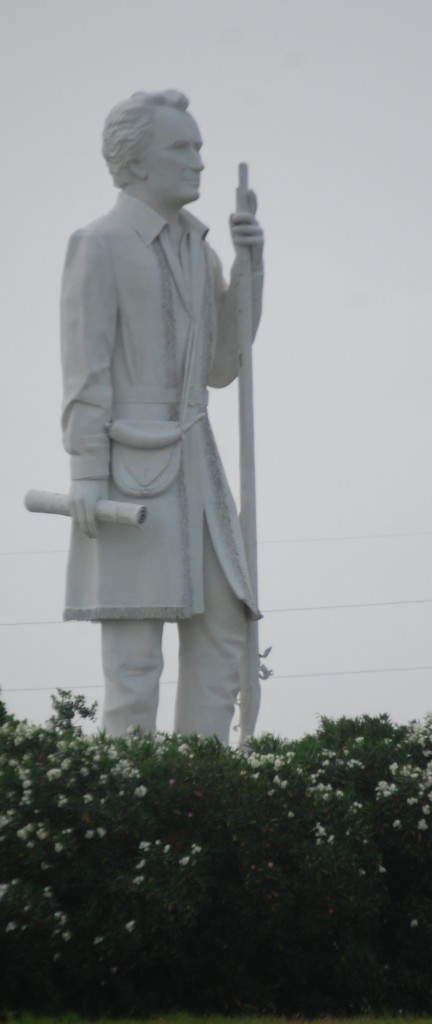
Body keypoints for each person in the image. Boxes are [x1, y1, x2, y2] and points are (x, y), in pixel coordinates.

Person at [60, 89, 264, 743]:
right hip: (128, 466)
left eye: (199, 147)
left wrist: (250, 267)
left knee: (226, 628)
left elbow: (223, 367)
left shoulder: (200, 253)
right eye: (182, 147)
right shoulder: (99, 244)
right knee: (135, 659)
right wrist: (88, 473)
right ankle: (131, 808)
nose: (199, 162)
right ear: (137, 161)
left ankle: (200, 793)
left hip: (197, 464)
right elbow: (84, 372)